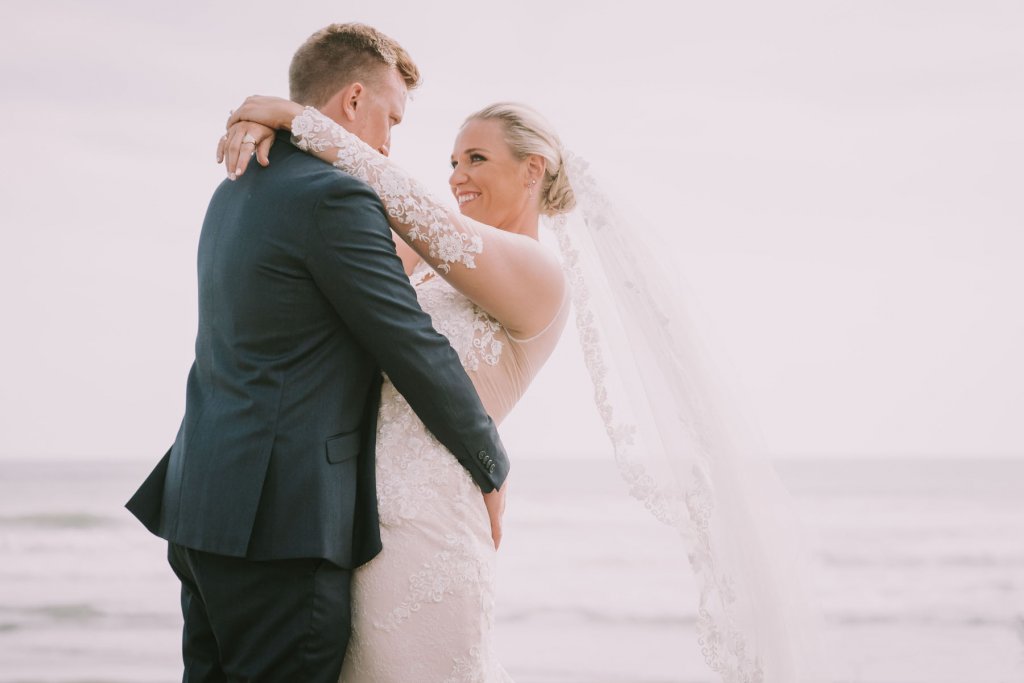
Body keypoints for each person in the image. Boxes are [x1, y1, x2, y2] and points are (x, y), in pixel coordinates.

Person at [125, 23, 513, 682]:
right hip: (280, 526)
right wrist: (490, 464)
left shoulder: (236, 188)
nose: (389, 142)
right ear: (353, 101)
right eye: (390, 117)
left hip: (204, 507)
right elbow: (411, 345)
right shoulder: (337, 198)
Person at [221, 92, 572, 679]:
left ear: (532, 168)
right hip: (348, 518)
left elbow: (402, 197)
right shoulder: (429, 258)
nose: (458, 176)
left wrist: (291, 116)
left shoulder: (539, 273)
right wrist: (275, 144)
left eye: (477, 159)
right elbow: (343, 222)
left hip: (431, 525)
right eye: (454, 163)